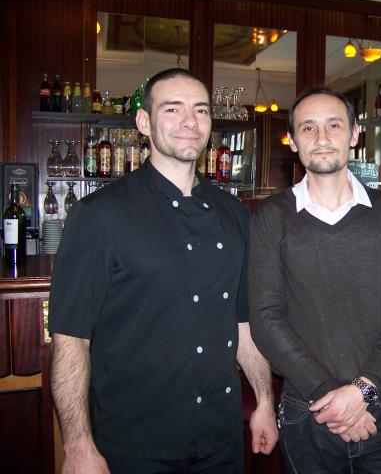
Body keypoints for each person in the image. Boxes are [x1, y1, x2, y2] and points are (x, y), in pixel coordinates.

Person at [49, 68, 278, 474]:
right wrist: (78, 445)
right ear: (144, 122)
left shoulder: (234, 215)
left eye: (201, 110)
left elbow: (243, 323)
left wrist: (263, 400)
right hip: (135, 443)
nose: (190, 121)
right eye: (173, 109)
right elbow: (71, 339)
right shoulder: (99, 215)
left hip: (220, 438)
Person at [248, 86, 381, 472]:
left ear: (354, 134)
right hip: (307, 409)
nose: (322, 138)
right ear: (292, 141)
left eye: (333, 125)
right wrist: (333, 398)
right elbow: (265, 318)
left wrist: (362, 391)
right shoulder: (271, 217)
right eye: (308, 128)